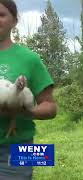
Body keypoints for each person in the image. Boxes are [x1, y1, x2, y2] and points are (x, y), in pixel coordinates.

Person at [0, 0, 57, 179]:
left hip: (18, 148)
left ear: (14, 21)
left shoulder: (30, 59)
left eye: (0, 15)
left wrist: (27, 111)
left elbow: (50, 106)